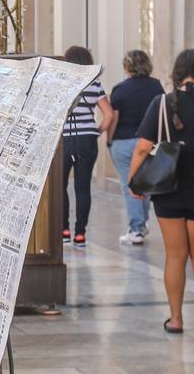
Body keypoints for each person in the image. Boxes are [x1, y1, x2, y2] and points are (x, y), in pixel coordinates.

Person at [130, 48, 194, 334]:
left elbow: (143, 147)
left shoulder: (163, 103)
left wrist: (135, 181)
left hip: (168, 189)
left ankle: (176, 319)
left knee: (175, 255)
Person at [105, 50, 163, 246]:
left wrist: (109, 141)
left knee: (128, 183)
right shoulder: (156, 87)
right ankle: (142, 223)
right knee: (144, 183)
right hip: (148, 142)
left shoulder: (120, 89)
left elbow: (114, 119)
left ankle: (136, 229)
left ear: (127, 67)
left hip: (123, 142)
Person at [61, 46, 112, 246]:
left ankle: (63, 231)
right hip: (87, 140)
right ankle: (80, 234)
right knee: (83, 188)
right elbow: (109, 115)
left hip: (64, 139)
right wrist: (96, 131)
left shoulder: (62, 82)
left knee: (61, 186)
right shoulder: (95, 83)